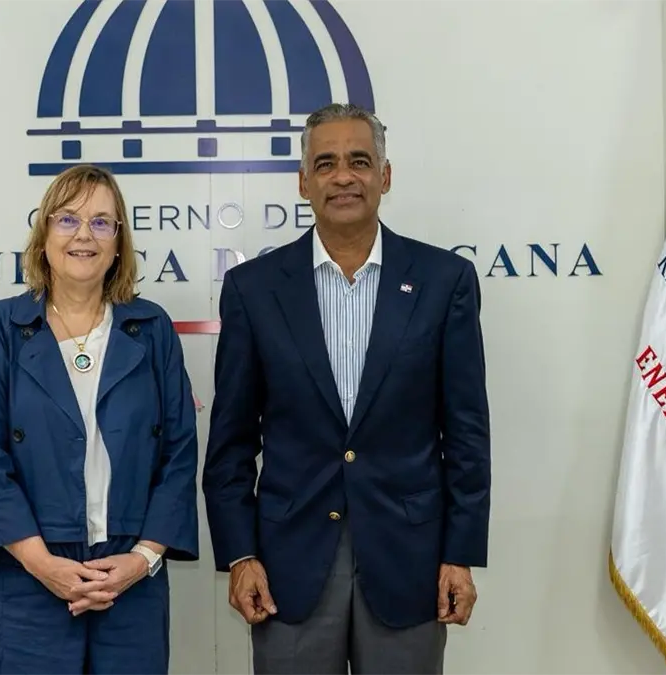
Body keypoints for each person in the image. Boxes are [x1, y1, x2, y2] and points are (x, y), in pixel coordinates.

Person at [202, 103, 492, 675]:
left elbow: (466, 434)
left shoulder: (443, 282)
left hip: (410, 560)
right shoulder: (253, 290)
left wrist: (460, 554)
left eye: (360, 161)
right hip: (289, 566)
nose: (343, 176)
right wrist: (240, 555)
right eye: (326, 163)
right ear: (303, 180)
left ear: (384, 176)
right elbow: (231, 442)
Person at [0, 164, 200, 675]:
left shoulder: (151, 329)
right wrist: (42, 564)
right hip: (26, 577)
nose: (83, 235)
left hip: (129, 579)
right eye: (67, 220)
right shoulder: (2, 327)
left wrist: (143, 559)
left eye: (101, 222)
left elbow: (179, 454)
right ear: (44, 235)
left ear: (118, 243)